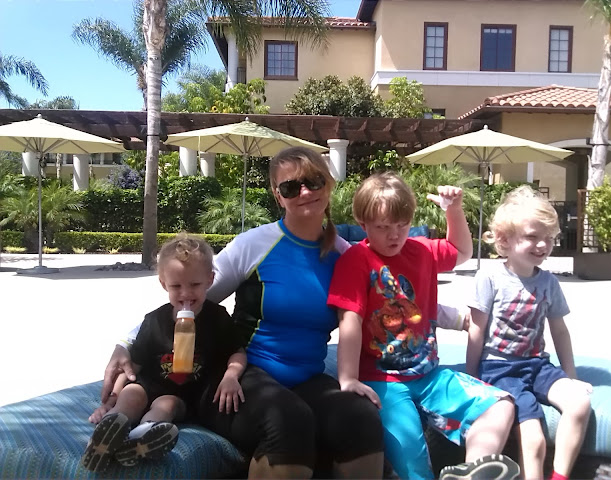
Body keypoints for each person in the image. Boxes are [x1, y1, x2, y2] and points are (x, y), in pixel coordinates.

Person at [98, 146, 385, 479]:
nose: (305, 192)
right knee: (289, 421)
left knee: (360, 417)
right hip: (237, 378)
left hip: (306, 379)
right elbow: (189, 298)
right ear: (278, 195)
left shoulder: (345, 256)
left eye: (314, 181)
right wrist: (126, 343)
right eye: (291, 187)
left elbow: (386, 311)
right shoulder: (255, 244)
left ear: (328, 183)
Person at [327, 171, 520, 480]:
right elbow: (350, 320)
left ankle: (472, 471)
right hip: (382, 381)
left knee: (500, 405)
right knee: (414, 464)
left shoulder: (422, 250)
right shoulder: (356, 260)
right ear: (363, 224)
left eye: (402, 225)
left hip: (429, 375)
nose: (394, 235)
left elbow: (462, 251)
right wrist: (348, 378)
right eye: (383, 227)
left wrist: (453, 210)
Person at [82, 233, 246, 472]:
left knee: (165, 405)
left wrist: (231, 376)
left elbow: (237, 351)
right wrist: (110, 400)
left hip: (182, 395)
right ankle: (107, 431)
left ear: (210, 280)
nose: (185, 294)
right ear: (163, 284)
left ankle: (143, 437)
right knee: (131, 394)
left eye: (195, 285)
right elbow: (133, 366)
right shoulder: (154, 321)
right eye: (176, 286)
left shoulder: (217, 318)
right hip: (148, 383)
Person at [466, 186, 592, 480]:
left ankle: (560, 476)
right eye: (533, 237)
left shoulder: (548, 282)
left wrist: (571, 376)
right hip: (500, 369)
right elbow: (476, 329)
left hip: (537, 365)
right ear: (504, 239)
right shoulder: (490, 277)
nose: (543, 245)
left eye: (549, 238)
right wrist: (472, 378)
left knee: (579, 403)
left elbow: (559, 331)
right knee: (534, 440)